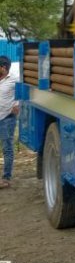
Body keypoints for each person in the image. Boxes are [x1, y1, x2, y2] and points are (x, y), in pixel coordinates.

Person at [0, 56, 18, 189]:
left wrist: (17, 104)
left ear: (3, 67)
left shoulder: (14, 79)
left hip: (7, 118)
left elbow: (23, 93)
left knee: (7, 148)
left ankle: (6, 178)